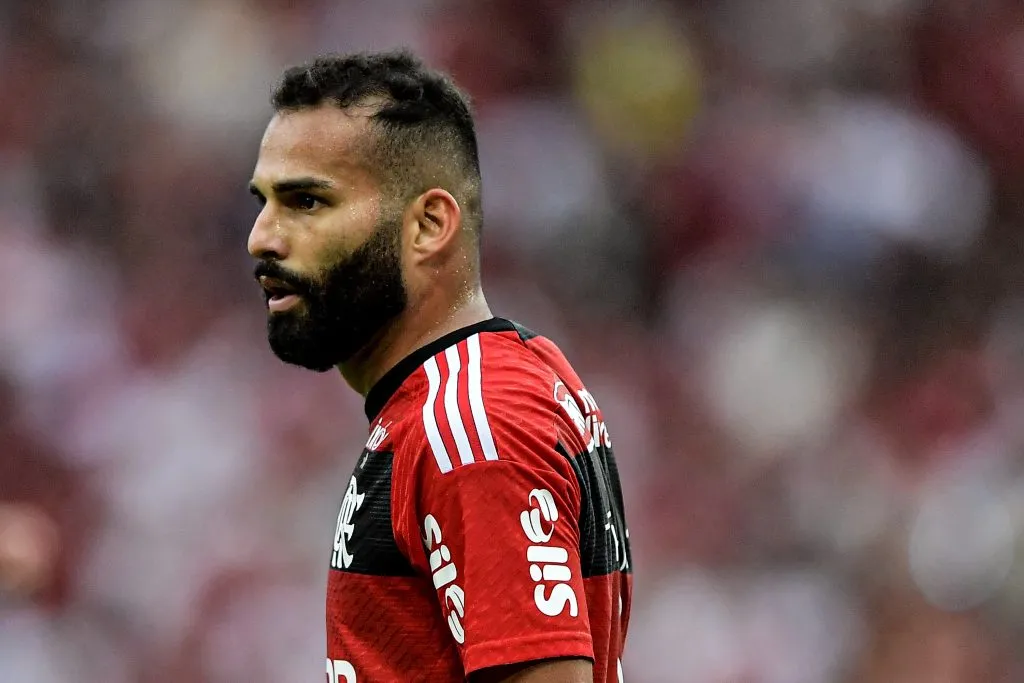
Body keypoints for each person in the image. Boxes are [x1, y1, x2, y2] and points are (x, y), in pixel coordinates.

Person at [247, 50, 631, 683]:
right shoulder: (464, 398)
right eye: (263, 201)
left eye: (307, 202)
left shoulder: (473, 425)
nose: (262, 236)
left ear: (428, 224)